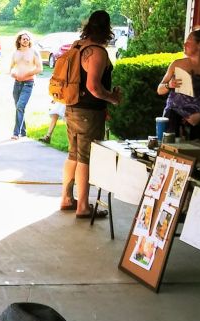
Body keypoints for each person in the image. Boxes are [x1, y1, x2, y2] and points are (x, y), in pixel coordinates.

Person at [60, 10, 122, 218]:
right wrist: (112, 98)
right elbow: (94, 87)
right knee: (86, 158)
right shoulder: (96, 51)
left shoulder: (78, 46)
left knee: (73, 154)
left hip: (73, 107)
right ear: (107, 28)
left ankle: (67, 199)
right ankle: (83, 207)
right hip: (89, 111)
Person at [156, 29, 200, 141]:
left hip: (199, 121)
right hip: (173, 117)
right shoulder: (177, 64)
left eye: (189, 42)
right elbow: (159, 89)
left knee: (195, 154)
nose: (184, 44)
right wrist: (169, 85)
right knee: (169, 151)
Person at [10, 31, 43, 139]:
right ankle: (23, 132)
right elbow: (11, 68)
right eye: (23, 38)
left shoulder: (34, 52)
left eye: (27, 39)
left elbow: (40, 68)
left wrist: (28, 74)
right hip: (17, 83)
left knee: (20, 106)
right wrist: (13, 73)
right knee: (19, 107)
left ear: (29, 41)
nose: (25, 40)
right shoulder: (15, 53)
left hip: (28, 83)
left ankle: (16, 133)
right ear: (19, 40)